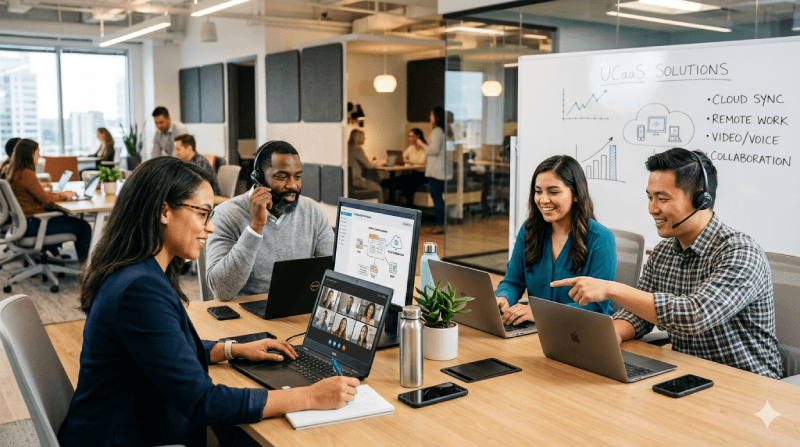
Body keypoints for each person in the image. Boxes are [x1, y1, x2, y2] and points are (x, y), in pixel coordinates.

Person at [57, 157, 358, 447]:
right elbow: (204, 401)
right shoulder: (140, 290)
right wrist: (309, 396)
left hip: (127, 427)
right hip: (127, 438)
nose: (211, 227)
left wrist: (232, 349)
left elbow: (166, 349)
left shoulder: (136, 272)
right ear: (164, 211)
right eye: (202, 213)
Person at [552, 148, 782, 379]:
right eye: (650, 198)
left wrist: (612, 289)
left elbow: (695, 315)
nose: (652, 208)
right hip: (691, 376)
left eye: (662, 199)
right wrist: (608, 335)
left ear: (701, 200)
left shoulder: (740, 252)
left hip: (749, 384)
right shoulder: (664, 253)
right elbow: (638, 315)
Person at [495, 155, 617, 325]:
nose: (543, 200)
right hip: (537, 329)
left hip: (583, 330)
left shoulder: (601, 239)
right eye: (538, 191)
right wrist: (503, 297)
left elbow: (596, 307)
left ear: (576, 194)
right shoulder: (529, 230)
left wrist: (540, 313)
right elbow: (513, 281)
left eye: (553, 192)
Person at [206, 140, 333, 300]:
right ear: (258, 178)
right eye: (282, 177)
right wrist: (255, 227)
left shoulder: (312, 211)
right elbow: (221, 290)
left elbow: (333, 273)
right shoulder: (226, 214)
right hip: (244, 316)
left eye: (297, 176)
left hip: (294, 310)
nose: (293, 185)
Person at [6, 139, 92, 262]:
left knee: (65, 217)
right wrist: (65, 195)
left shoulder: (16, 172)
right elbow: (46, 199)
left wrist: (60, 194)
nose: (39, 155)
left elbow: (40, 195)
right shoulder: (26, 174)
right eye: (37, 152)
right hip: (33, 225)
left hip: (24, 223)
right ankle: (87, 271)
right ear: (29, 153)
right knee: (84, 227)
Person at [426, 107, 453, 234]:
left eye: (431, 115)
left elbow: (433, 150)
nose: (429, 117)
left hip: (436, 171)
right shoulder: (444, 131)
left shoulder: (437, 131)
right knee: (438, 197)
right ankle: (441, 223)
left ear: (436, 117)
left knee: (436, 197)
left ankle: (440, 224)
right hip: (441, 171)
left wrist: (421, 143)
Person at [347, 129, 383, 203]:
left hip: (348, 181)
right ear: (358, 138)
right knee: (377, 188)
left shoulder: (347, 148)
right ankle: (382, 210)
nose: (365, 138)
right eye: (363, 137)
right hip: (356, 180)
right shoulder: (357, 149)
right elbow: (369, 166)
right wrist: (379, 163)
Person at [396, 128, 428, 206]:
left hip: (423, 174)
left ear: (418, 136)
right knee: (401, 180)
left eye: (412, 136)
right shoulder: (410, 148)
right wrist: (405, 161)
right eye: (409, 136)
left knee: (409, 183)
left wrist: (409, 162)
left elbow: (422, 161)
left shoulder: (425, 148)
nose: (409, 138)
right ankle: (403, 206)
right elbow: (402, 157)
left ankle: (409, 207)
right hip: (412, 172)